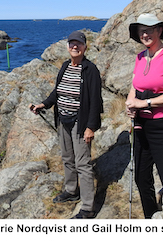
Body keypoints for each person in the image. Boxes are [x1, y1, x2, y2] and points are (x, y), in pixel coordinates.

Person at [30, 30, 103, 219]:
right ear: (68, 46)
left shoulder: (90, 70)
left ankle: (88, 207)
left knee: (83, 163)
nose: (75, 46)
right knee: (67, 158)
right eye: (72, 43)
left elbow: (95, 100)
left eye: (78, 44)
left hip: (80, 122)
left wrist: (90, 127)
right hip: (63, 120)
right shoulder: (64, 66)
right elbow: (58, 92)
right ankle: (71, 191)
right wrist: (44, 104)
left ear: (85, 47)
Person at [125, 13, 163, 218]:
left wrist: (145, 103)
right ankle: (152, 218)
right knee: (141, 178)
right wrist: (130, 103)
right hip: (142, 124)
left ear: (159, 31)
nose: (145, 34)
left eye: (149, 29)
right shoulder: (140, 57)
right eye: (141, 30)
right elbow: (134, 87)